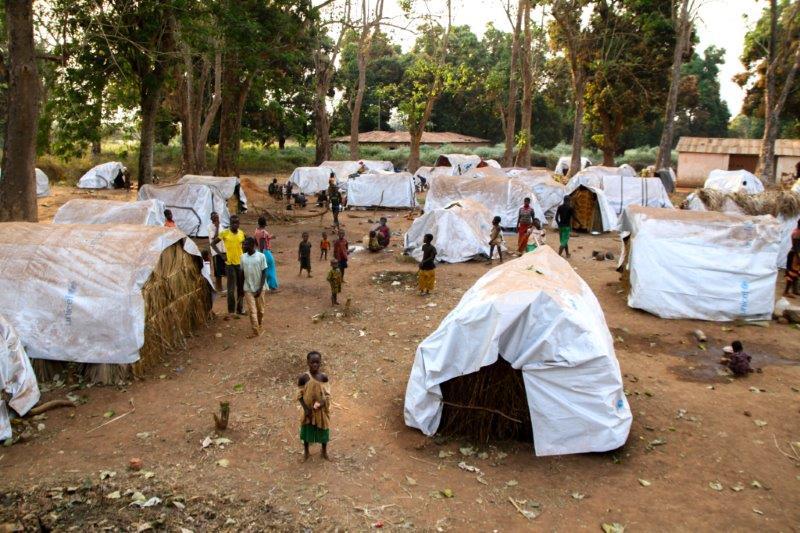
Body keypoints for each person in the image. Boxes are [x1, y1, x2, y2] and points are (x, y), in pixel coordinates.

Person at [297, 351, 331, 461]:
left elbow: (327, 395)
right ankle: (306, 452)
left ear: (320, 362)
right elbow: (300, 395)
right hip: (308, 412)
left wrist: (321, 403)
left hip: (320, 411)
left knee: (323, 431)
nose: (315, 365)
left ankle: (324, 451)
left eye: (317, 362)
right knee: (307, 432)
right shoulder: (303, 378)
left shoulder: (323, 377)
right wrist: (306, 409)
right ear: (308, 362)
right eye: (312, 362)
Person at [212, 214, 246, 318]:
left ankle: (240, 309)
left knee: (241, 288)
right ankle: (231, 311)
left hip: (240, 264)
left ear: (239, 224)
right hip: (230, 265)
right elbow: (213, 244)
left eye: (237, 223)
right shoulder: (225, 233)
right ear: (230, 224)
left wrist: (244, 257)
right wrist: (221, 255)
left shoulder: (241, 233)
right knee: (231, 289)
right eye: (233, 223)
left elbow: (243, 246)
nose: (235, 225)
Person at [240, 237, 267, 338]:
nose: (244, 246)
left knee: (260, 310)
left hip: (260, 288)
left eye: (246, 244)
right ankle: (255, 331)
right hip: (247, 288)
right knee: (252, 311)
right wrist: (240, 289)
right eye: (243, 244)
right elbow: (241, 273)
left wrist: (260, 288)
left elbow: (264, 272)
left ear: (252, 245)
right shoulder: (242, 257)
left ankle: (259, 324)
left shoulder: (261, 256)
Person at [254, 216, 279, 291]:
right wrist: (262, 253)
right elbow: (262, 242)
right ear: (265, 224)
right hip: (265, 252)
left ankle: (266, 285)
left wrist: (270, 237)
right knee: (271, 268)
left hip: (259, 251)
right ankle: (273, 287)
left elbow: (257, 241)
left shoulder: (256, 231)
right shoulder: (263, 232)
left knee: (264, 269)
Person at [207, 212, 227, 293]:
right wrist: (217, 226)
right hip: (216, 252)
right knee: (218, 272)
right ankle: (219, 289)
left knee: (224, 269)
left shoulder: (221, 225)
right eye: (215, 218)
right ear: (211, 219)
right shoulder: (209, 227)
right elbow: (214, 237)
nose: (216, 219)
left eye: (217, 217)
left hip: (223, 250)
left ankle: (221, 287)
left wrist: (219, 226)